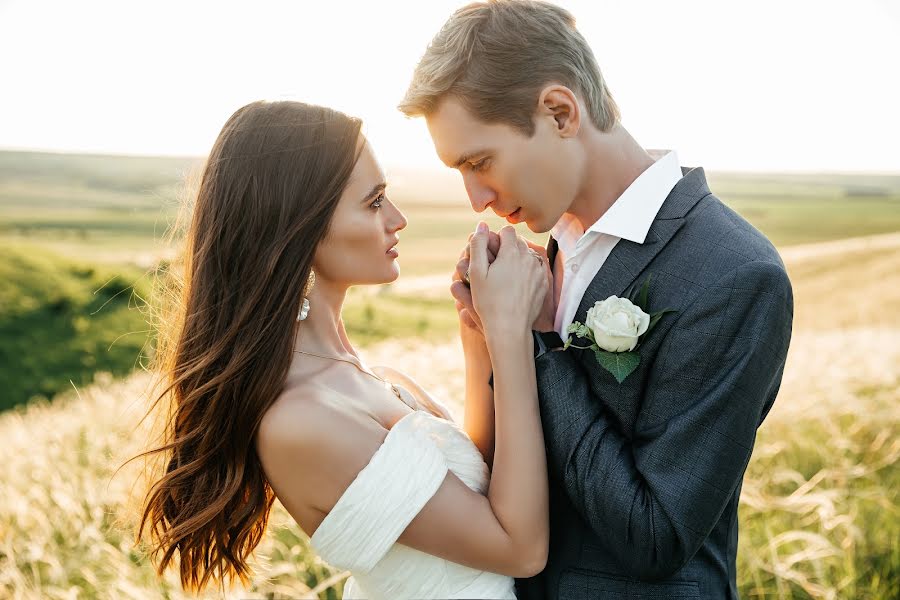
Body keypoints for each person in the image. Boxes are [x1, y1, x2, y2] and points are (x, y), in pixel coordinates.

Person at [399, 1, 794, 598]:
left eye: (481, 162)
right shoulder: (546, 250)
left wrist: (536, 343)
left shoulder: (736, 274)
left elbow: (656, 537)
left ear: (560, 112)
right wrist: (485, 338)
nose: (476, 196)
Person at [133, 100, 551, 599]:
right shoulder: (302, 421)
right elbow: (519, 549)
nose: (397, 219)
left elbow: (482, 488)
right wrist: (510, 341)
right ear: (299, 228)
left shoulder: (370, 376)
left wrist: (479, 337)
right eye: (374, 202)